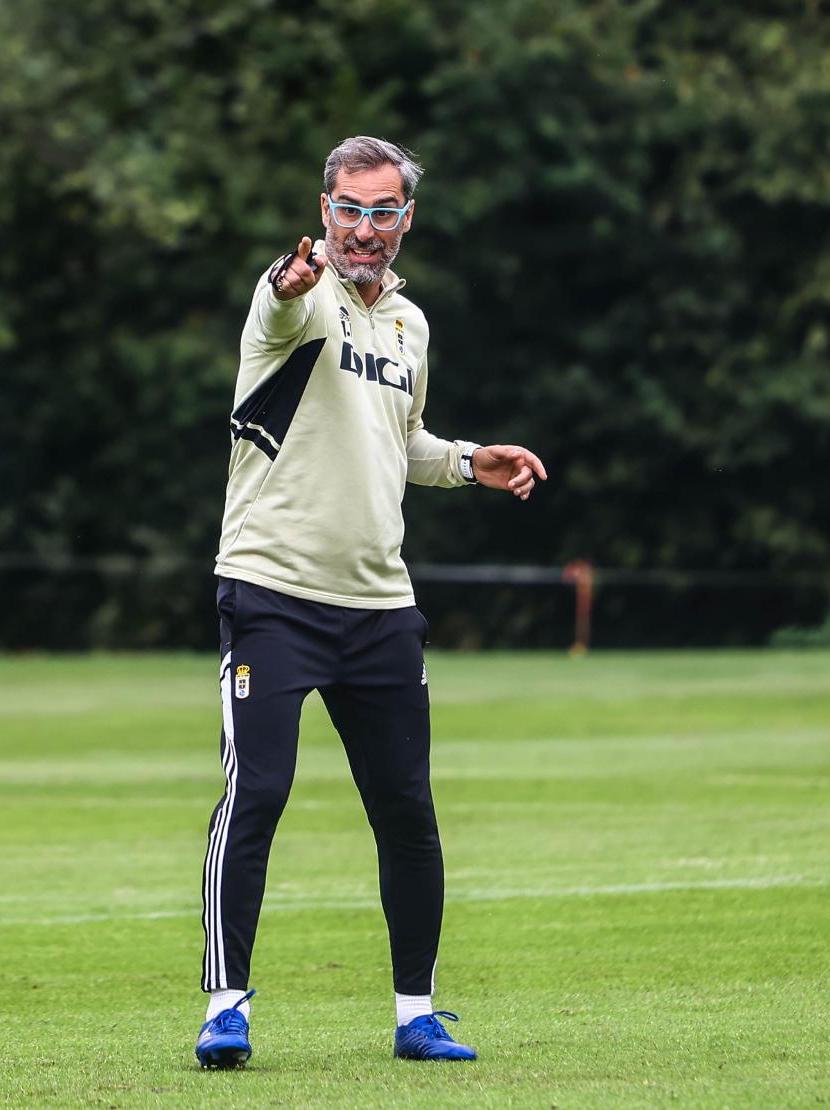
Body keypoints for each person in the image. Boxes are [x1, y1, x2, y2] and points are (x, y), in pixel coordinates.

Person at [195, 137, 547, 1068]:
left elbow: (405, 440)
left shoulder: (408, 324)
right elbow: (279, 300)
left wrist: (470, 461)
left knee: (406, 810)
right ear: (325, 211)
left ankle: (415, 1015)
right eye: (349, 209)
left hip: (381, 605)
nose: (363, 228)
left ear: (406, 220)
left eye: (382, 211)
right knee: (257, 793)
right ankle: (226, 1008)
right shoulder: (295, 297)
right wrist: (290, 279)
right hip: (271, 591)